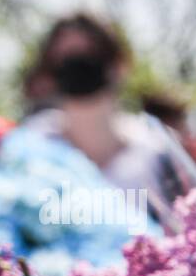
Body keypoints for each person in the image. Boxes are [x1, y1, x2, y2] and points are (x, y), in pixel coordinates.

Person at [22, 13, 169, 195]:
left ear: (120, 66)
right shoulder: (32, 145)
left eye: (89, 54)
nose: (77, 67)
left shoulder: (154, 150)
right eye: (65, 58)